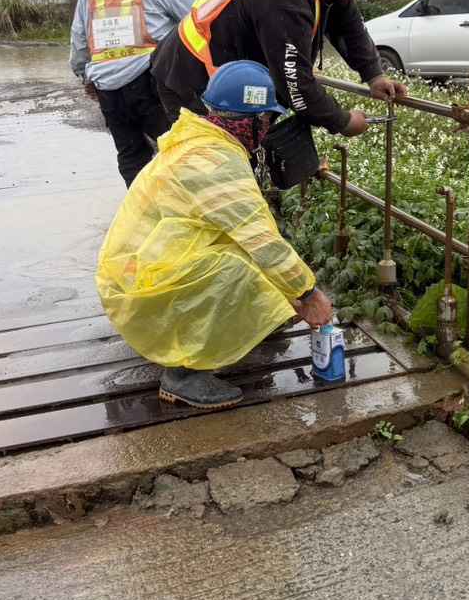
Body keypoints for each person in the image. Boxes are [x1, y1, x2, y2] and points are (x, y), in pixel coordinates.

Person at [95, 60, 336, 410]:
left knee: (249, 264)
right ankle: (183, 374)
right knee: (237, 272)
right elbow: (262, 241)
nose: (268, 129)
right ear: (251, 121)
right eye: (267, 120)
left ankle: (199, 340)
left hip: (136, 274)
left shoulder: (199, 141)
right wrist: (308, 292)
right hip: (141, 290)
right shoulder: (215, 162)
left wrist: (291, 293)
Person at [150, 0, 408, 139]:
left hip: (217, 71)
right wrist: (342, 121)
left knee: (243, 159)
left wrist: (374, 74)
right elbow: (294, 83)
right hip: (190, 75)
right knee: (214, 170)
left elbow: (345, 17)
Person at [70, 0, 194, 185]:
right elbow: (198, 21)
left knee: (131, 156)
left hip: (107, 88)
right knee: (178, 150)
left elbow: (79, 38)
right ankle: (183, 213)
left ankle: (142, 217)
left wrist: (84, 76)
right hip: (151, 81)